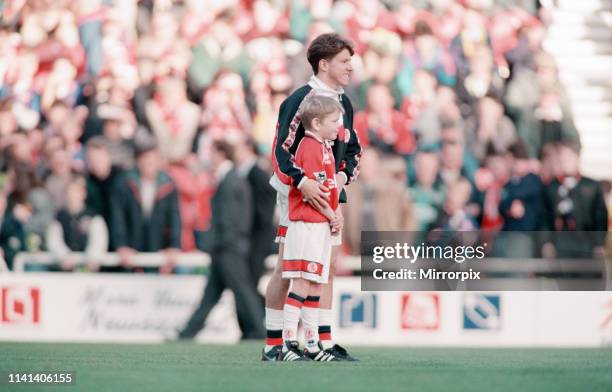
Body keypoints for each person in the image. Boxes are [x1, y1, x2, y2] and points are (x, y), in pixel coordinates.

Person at [263, 33, 361, 362]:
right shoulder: (299, 99)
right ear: (324, 64)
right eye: (344, 61)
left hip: (330, 195)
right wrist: (301, 181)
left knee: (327, 267)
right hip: (296, 194)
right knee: (287, 268)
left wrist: (342, 176)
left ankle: (321, 340)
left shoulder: (345, 103)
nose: (351, 66)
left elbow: (354, 150)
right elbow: (279, 150)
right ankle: (275, 343)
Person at [178, 141, 265, 340]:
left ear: (220, 154)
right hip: (227, 246)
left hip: (228, 248)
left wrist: (218, 243)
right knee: (213, 295)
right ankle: (187, 333)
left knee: (243, 292)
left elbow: (229, 218)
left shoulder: (230, 180)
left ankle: (261, 333)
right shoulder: (232, 178)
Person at [279, 95, 342, 361]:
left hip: (319, 225)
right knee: (302, 282)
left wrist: (334, 211)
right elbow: (312, 194)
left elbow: (327, 188)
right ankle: (287, 341)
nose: (339, 126)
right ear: (316, 123)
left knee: (315, 284)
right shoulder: (310, 147)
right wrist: (331, 214)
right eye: (334, 121)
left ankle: (312, 341)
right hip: (308, 224)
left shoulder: (322, 146)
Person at [109, 142, 181, 272]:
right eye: (146, 159)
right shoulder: (124, 183)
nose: (150, 163)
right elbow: (117, 217)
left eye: (153, 159)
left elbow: (175, 217)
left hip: (158, 248)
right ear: (138, 161)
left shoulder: (168, 185)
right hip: (132, 250)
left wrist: (174, 245)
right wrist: (121, 245)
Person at [46, 176, 108, 271]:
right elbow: (54, 241)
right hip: (65, 270)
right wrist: (64, 257)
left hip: (89, 271)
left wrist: (92, 258)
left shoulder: (93, 217)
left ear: (83, 194)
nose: (72, 195)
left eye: (76, 192)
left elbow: (99, 240)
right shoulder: (59, 217)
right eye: (69, 192)